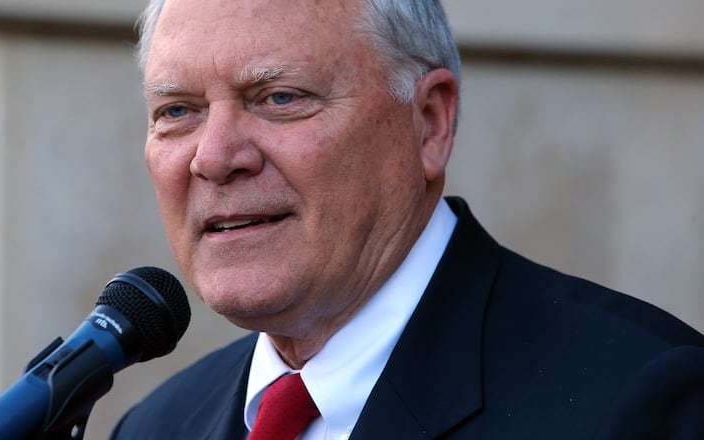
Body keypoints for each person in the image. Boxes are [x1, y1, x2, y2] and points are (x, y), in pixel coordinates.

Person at [112, 0, 704, 438]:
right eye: (178, 111)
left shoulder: (642, 402)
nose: (213, 158)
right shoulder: (154, 427)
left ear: (429, 122)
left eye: (280, 98)